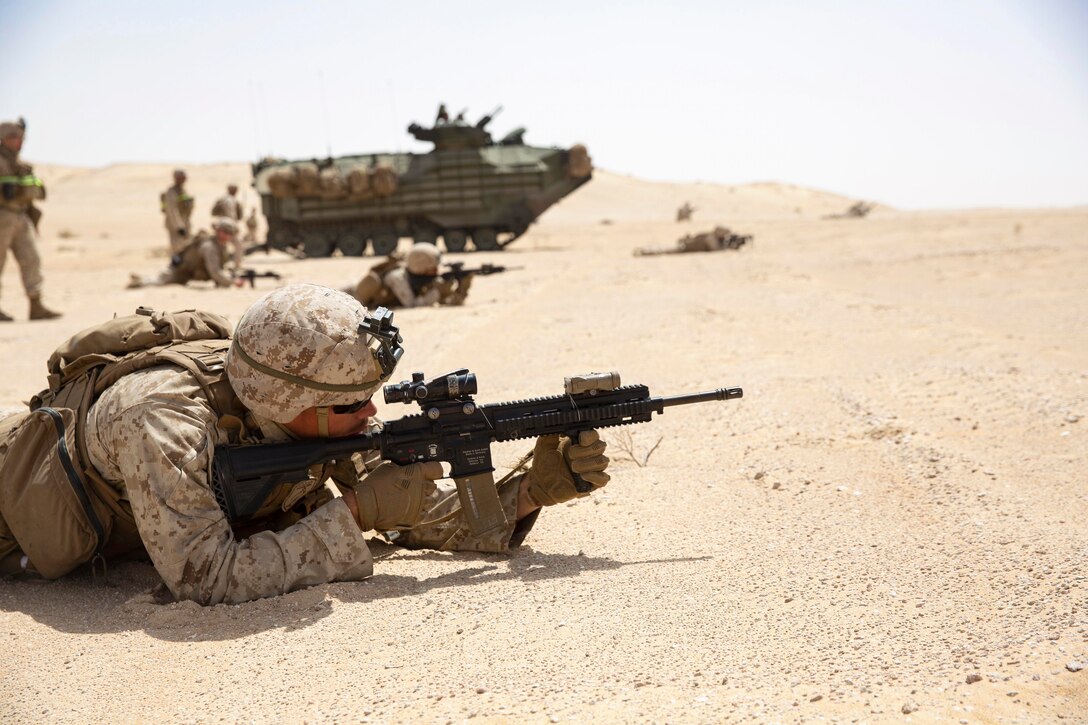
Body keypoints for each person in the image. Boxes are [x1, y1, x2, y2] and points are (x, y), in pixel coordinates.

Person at [0, 283, 610, 604]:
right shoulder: (160, 418)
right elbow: (205, 577)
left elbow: (419, 513)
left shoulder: (312, 416)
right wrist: (356, 512)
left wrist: (532, 491)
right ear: (289, 408)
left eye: (373, 394)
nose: (371, 412)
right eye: (351, 405)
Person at [0, 118, 61, 321]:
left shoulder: (20, 164)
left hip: (20, 215)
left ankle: (36, 305)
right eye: (12, 137)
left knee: (32, 260)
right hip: (2, 215)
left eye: (20, 137)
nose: (18, 142)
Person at [127, 217, 243, 289]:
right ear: (221, 232)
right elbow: (215, 272)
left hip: (184, 276)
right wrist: (233, 282)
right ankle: (138, 281)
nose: (230, 237)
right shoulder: (210, 247)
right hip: (177, 272)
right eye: (229, 233)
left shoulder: (219, 246)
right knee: (157, 281)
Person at [349, 241, 472, 308]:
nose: (436, 271)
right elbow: (411, 304)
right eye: (432, 269)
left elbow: (449, 302)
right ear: (420, 267)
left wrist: (463, 287)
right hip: (351, 296)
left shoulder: (417, 276)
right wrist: (438, 291)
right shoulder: (397, 277)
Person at [211, 184, 245, 269]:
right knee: (238, 245)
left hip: (221, 223)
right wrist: (234, 227)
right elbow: (231, 215)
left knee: (221, 246)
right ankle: (237, 265)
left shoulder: (223, 199)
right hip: (227, 225)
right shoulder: (229, 200)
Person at [161, 169, 194, 254]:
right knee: (177, 248)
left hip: (184, 222)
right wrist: (179, 227)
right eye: (182, 178)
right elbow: (172, 211)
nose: (184, 180)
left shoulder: (182, 190)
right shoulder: (171, 192)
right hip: (175, 225)